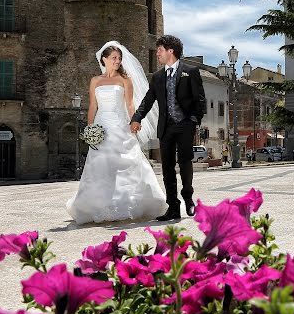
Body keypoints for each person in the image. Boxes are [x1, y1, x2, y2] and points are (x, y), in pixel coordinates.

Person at [66, 42, 167, 224]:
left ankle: (131, 203)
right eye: (114, 58)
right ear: (104, 59)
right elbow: (92, 106)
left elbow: (129, 104)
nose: (117, 61)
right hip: (101, 125)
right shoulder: (95, 81)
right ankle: (96, 206)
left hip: (121, 126)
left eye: (119, 58)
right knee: (99, 164)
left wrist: (134, 121)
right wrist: (90, 128)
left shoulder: (124, 80)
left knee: (127, 163)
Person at [131, 35, 206, 221]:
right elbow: (148, 100)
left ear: (170, 51)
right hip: (166, 127)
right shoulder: (157, 77)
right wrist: (137, 117)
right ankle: (173, 207)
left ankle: (188, 197)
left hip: (185, 125)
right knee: (167, 168)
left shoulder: (191, 71)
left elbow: (200, 100)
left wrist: (193, 120)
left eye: (160, 50)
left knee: (185, 162)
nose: (157, 53)